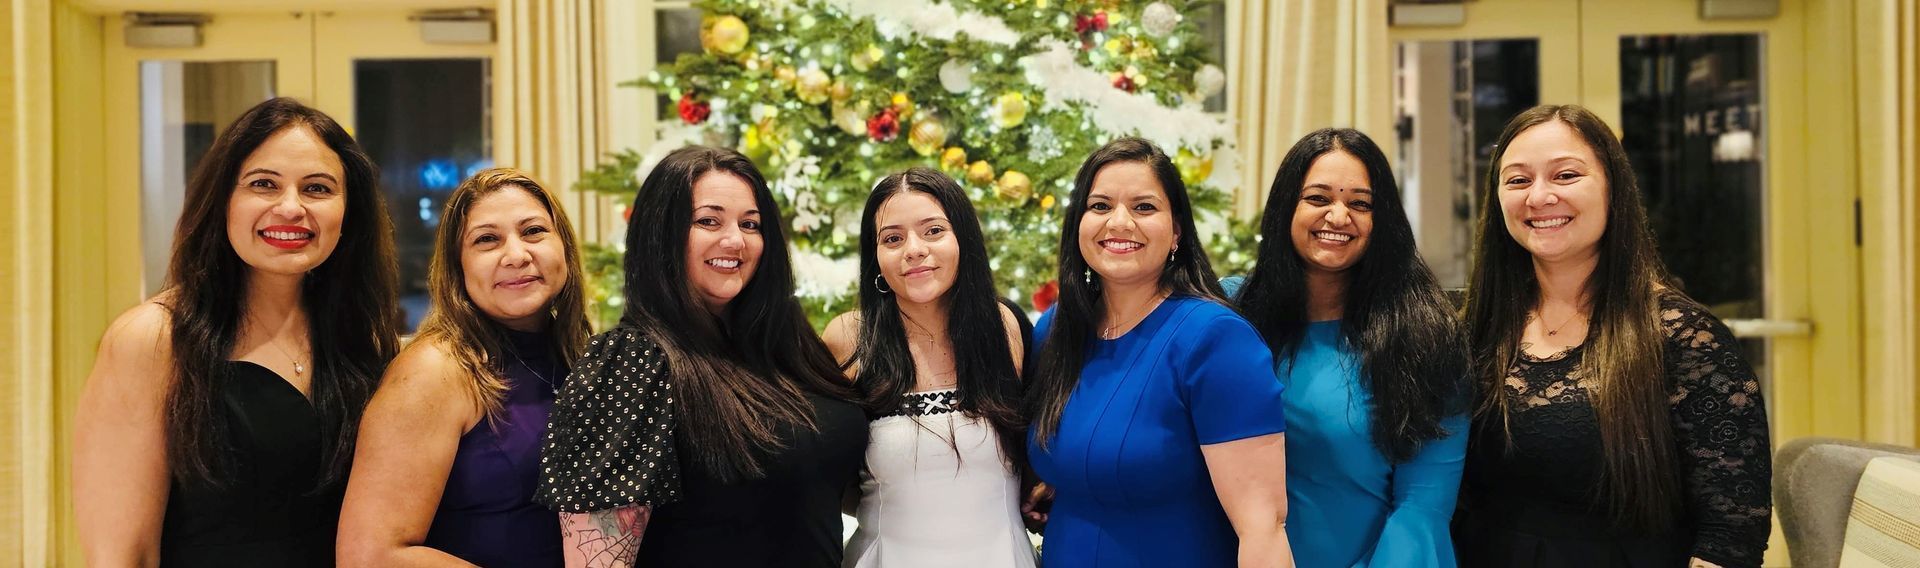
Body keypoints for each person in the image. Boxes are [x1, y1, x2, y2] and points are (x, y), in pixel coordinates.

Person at [72, 97, 402, 566]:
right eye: (263, 184)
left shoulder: (361, 341)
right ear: (223, 198)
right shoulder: (152, 339)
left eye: (317, 188)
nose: (291, 207)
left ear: (349, 212)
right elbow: (124, 555)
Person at [1453, 105, 1772, 568]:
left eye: (1565, 175)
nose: (1539, 197)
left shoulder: (1684, 337)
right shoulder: (1473, 324)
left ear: (1613, 189)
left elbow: (1731, 534)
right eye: (1518, 180)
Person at [537, 146, 868, 568]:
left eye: (750, 224)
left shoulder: (785, 347)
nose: (735, 240)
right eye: (708, 220)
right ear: (662, 234)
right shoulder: (629, 361)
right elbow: (597, 563)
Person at [1024, 136, 1292, 567]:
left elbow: (1262, 528)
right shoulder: (1057, 328)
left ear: (1176, 233)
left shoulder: (1217, 340)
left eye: (1144, 207)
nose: (1120, 222)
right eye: (1100, 206)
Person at [1226, 128, 1470, 567]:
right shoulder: (1230, 313)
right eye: (1318, 198)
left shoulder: (1425, 334)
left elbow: (1421, 508)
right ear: (1286, 207)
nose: (1338, 217)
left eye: (1360, 203)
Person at [336, 168, 590, 566]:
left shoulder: (580, 356)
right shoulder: (435, 370)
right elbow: (371, 557)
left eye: (534, 231)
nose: (517, 255)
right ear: (459, 267)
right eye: (487, 240)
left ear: (565, 250)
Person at [823, 166, 1036, 567]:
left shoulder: (1004, 326)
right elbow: (827, 474)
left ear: (963, 239)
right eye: (892, 238)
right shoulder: (848, 338)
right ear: (876, 257)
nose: (914, 249)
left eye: (933, 230)